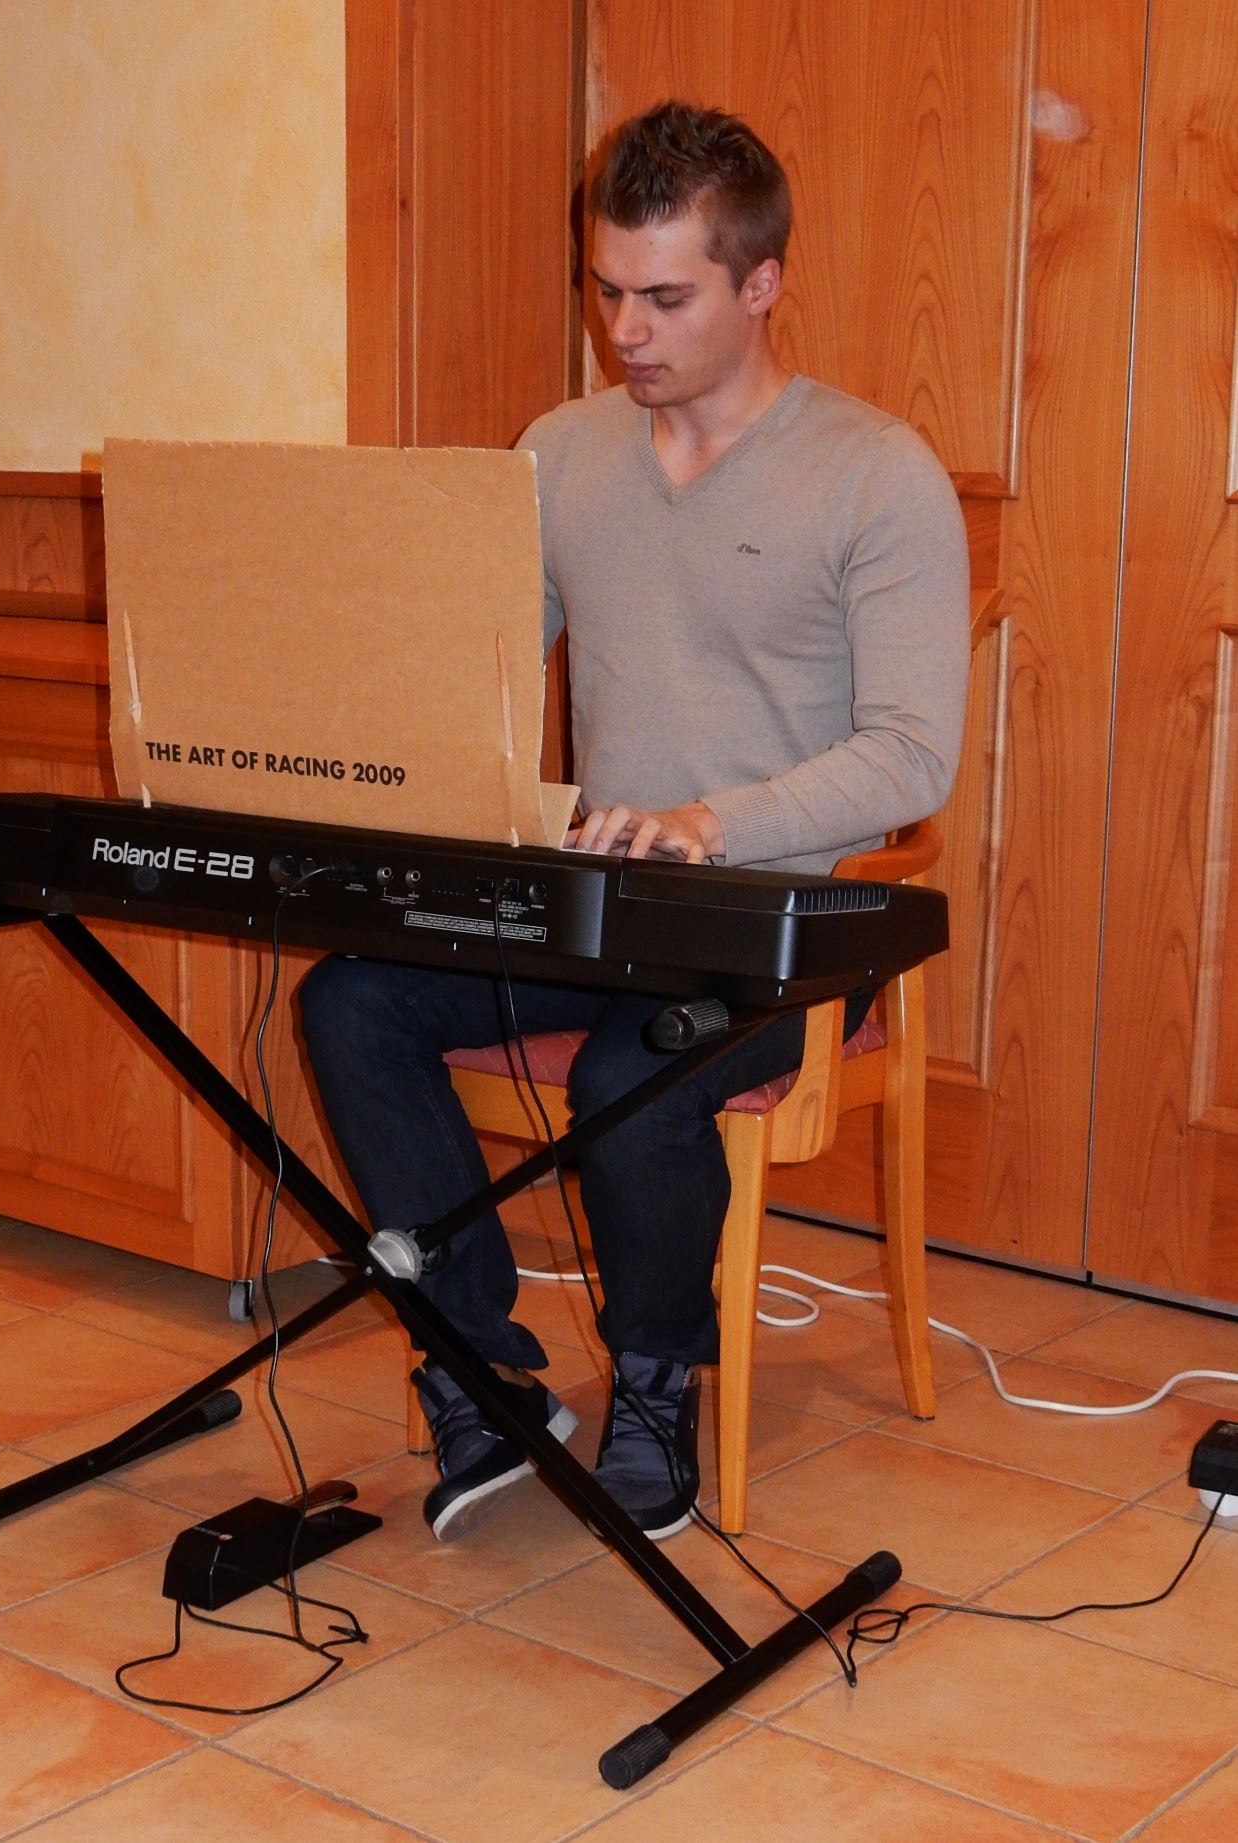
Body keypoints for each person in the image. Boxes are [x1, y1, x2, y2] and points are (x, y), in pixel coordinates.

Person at [300, 100, 969, 1543]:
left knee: (630, 1076)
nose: (624, 330)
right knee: (351, 1003)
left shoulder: (876, 474)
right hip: (599, 898)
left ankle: (657, 1377)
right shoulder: (560, 452)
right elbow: (483, 676)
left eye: (664, 297)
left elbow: (914, 758)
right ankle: (479, 1369)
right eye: (605, 290)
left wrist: (712, 822)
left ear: (762, 282)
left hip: (783, 920)